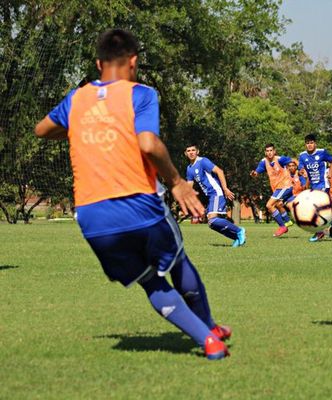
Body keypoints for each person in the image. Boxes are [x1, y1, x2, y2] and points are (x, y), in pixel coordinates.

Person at [34, 29, 229, 360]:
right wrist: (177, 181)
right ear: (134, 61)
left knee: (150, 282)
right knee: (178, 260)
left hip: (92, 216)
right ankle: (209, 326)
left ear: (98, 63)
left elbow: (42, 130)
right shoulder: (140, 93)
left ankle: (207, 341)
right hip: (137, 202)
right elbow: (148, 143)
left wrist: (86, 126)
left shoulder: (77, 98)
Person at [184, 145, 246, 247]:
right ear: (186, 153)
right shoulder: (189, 169)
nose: (191, 152)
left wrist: (225, 188)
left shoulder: (203, 161)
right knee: (211, 224)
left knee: (213, 220)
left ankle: (239, 231)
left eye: (193, 150)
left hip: (216, 192)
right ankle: (237, 238)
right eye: (188, 151)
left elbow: (219, 171)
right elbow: (189, 186)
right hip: (211, 196)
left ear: (197, 151)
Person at [250, 143, 295, 237]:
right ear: (265, 152)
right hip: (278, 189)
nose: (269, 153)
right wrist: (254, 174)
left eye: (271, 150)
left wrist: (301, 169)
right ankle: (288, 221)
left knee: (269, 205)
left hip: (285, 186)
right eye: (267, 151)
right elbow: (257, 172)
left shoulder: (280, 159)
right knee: (280, 205)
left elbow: (294, 161)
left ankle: (283, 227)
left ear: (274, 151)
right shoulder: (264, 162)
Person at [298, 134, 332, 242]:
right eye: (307, 143)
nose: (309, 145)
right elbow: (300, 168)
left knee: (317, 208)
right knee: (331, 211)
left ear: (315, 143)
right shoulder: (302, 156)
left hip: (323, 184)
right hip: (313, 186)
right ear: (305, 144)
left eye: (311, 143)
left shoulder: (322, 152)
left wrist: (331, 172)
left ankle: (319, 232)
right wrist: (302, 172)